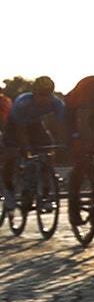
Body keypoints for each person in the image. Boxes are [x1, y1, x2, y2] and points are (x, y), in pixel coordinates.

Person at [2, 77, 66, 212]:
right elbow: (21, 131)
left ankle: (47, 188)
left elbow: (61, 126)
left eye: (47, 95)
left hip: (35, 125)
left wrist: (64, 143)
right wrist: (26, 148)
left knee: (47, 148)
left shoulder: (56, 103)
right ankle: (9, 191)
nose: (43, 99)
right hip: (15, 127)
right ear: (34, 93)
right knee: (11, 155)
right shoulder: (23, 102)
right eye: (40, 95)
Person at [63, 63, 94, 194]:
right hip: (74, 112)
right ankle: (74, 196)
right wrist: (87, 138)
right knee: (83, 151)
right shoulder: (89, 85)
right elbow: (82, 117)